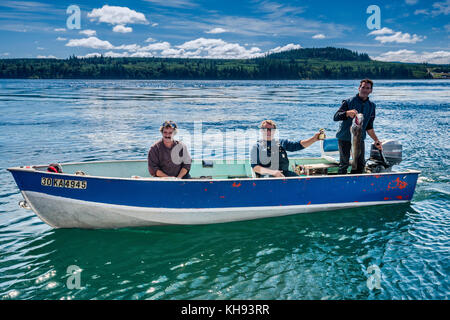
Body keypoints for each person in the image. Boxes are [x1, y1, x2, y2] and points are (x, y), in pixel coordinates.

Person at [333, 79, 382, 174]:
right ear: (359, 88)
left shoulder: (371, 106)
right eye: (363, 87)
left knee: (360, 164)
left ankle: (355, 184)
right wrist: (347, 113)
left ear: (371, 91)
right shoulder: (348, 102)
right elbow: (335, 117)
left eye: (367, 88)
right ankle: (341, 184)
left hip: (359, 139)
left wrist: (376, 140)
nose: (365, 90)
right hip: (344, 138)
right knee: (344, 164)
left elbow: (369, 126)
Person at [251, 120, 321, 177]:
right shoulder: (256, 147)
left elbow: (297, 145)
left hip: (285, 173)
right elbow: (255, 168)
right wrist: (273, 172)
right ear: (261, 131)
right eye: (265, 129)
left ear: (275, 131)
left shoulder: (281, 142)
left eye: (271, 129)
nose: (268, 131)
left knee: (299, 181)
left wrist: (313, 139)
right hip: (267, 175)